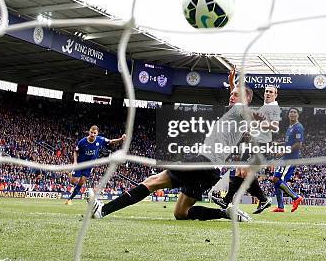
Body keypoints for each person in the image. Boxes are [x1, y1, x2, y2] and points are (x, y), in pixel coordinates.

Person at [89, 86, 255, 222]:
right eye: (231, 94)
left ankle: (103, 210)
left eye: (235, 95)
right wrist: (233, 83)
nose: (231, 97)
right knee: (181, 213)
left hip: (202, 162)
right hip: (210, 170)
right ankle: (225, 213)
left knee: (152, 181)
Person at [212, 85, 280, 214]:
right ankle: (260, 199)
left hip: (261, 144)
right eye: (266, 91)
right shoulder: (265, 107)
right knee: (240, 171)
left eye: (271, 92)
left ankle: (227, 200)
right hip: (254, 143)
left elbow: (274, 126)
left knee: (244, 172)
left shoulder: (274, 108)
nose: (268, 94)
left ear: (275, 95)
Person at [65, 125, 126, 205]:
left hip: (89, 166)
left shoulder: (100, 140)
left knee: (81, 183)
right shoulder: (82, 142)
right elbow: (76, 151)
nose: (92, 134)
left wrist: (121, 139)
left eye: (94, 133)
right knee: (73, 182)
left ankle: (69, 199)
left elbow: (111, 142)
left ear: (97, 133)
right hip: (80, 164)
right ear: (89, 132)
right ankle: (68, 174)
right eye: (91, 132)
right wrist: (75, 162)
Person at [270, 107, 304, 212]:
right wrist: (278, 144)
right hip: (285, 157)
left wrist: (283, 152)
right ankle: (280, 207)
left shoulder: (298, 127)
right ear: (288, 114)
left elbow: (298, 144)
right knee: (275, 179)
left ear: (298, 115)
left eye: (295, 112)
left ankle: (296, 197)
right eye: (291, 112)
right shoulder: (290, 127)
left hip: (291, 158)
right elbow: (288, 142)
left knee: (277, 179)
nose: (292, 114)